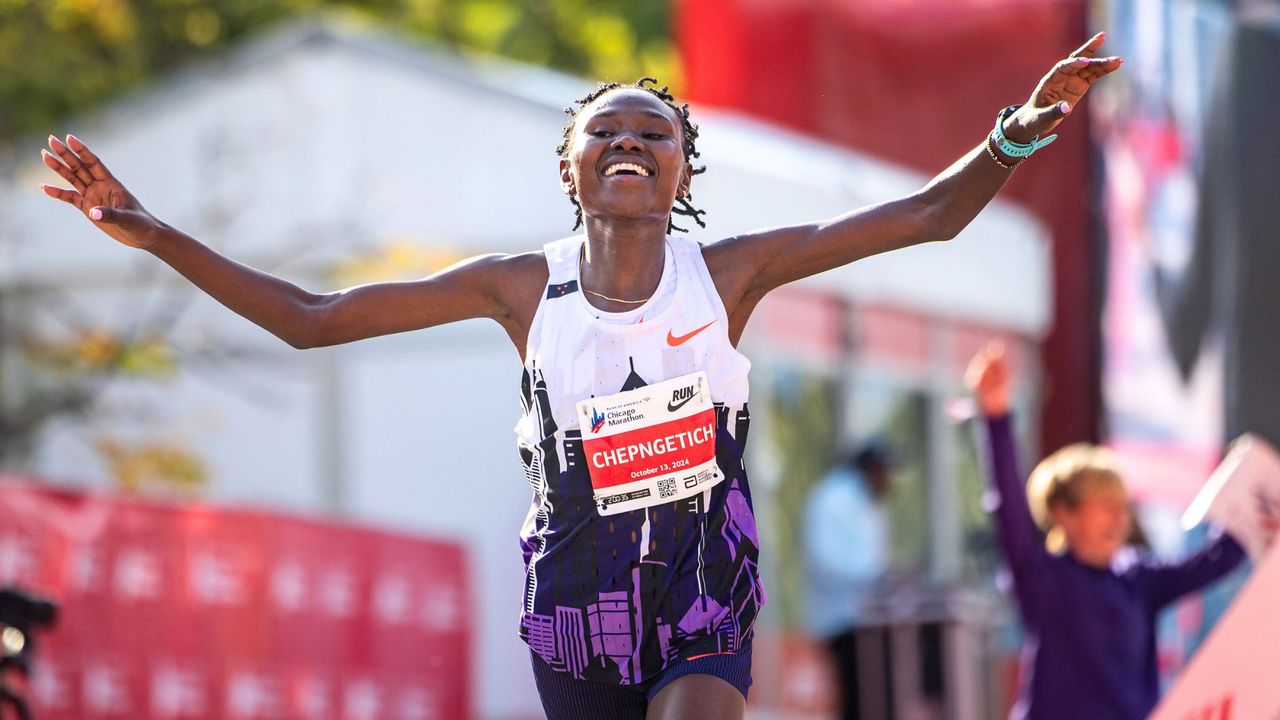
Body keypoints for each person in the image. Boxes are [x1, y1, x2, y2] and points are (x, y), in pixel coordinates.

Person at [37, 34, 1120, 720]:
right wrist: (150, 234)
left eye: (655, 133)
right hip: (573, 607)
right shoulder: (520, 288)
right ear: (568, 166)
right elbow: (313, 319)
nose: (631, 143)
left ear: (682, 171)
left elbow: (926, 219)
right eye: (606, 132)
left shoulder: (728, 273)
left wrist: (1015, 133)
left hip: (702, 594)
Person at [964, 343, 1250, 720]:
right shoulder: (1043, 578)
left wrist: (1251, 493)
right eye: (1106, 507)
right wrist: (996, 416)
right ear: (1064, 514)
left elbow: (1218, 560)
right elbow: (1008, 506)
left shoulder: (1140, 578)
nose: (1120, 519)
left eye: (1123, 508)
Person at [802, 442, 896, 720]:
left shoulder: (867, 502)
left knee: (872, 702)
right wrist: (876, 575)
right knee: (858, 702)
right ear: (871, 469)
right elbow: (827, 561)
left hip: (867, 621)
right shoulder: (835, 498)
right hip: (844, 621)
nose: (888, 480)